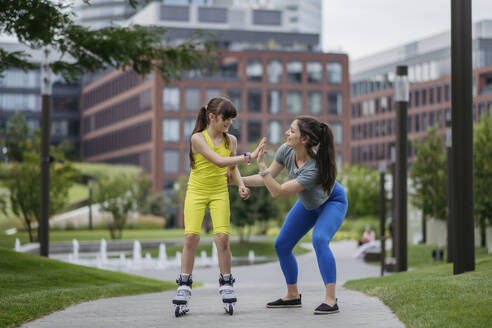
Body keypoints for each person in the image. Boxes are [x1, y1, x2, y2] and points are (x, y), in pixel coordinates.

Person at [242, 116, 348, 315]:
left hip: (332, 203)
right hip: (309, 204)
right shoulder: (286, 150)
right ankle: (292, 296)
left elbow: (277, 191)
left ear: (304, 139)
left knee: (319, 239)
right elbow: (266, 179)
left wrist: (262, 167)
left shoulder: (314, 168)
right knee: (282, 245)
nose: (286, 133)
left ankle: (331, 299)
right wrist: (236, 180)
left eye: (291, 130)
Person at [172, 97, 266, 317]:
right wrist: (249, 156)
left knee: (222, 238)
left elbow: (231, 167)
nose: (229, 123)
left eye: (232, 120)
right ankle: (184, 284)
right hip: (196, 191)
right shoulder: (197, 138)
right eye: (226, 119)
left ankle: (226, 283)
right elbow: (218, 161)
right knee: (191, 237)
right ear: (212, 117)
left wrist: (241, 184)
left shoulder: (230, 140)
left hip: (219, 192)